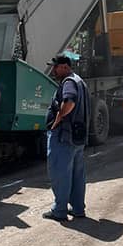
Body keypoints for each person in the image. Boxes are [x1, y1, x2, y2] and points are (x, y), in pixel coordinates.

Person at [43, 54, 90, 221]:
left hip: (64, 136)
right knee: (77, 175)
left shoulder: (69, 82)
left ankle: (60, 210)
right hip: (76, 137)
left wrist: (57, 121)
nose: (53, 71)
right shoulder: (79, 81)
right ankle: (78, 208)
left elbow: (69, 102)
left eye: (55, 67)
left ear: (64, 67)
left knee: (60, 173)